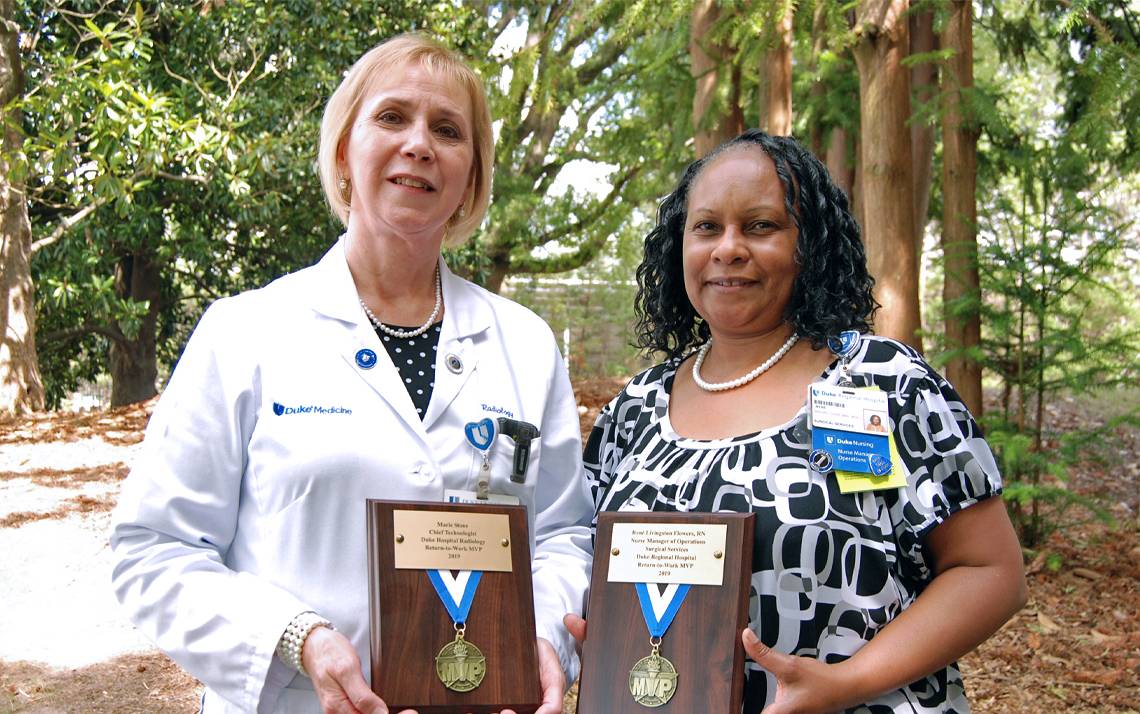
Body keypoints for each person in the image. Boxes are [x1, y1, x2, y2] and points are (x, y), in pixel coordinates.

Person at [111, 34, 592, 714]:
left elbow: (562, 535)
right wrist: (292, 635)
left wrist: (541, 637)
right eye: (392, 117)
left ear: (471, 177)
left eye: (448, 130)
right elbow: (152, 549)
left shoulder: (526, 345)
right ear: (344, 151)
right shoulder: (245, 331)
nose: (419, 144)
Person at [574, 129, 1026, 712]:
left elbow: (989, 570)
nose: (728, 248)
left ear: (808, 245)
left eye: (760, 226)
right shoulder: (634, 411)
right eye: (707, 227)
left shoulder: (876, 384)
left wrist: (850, 680)